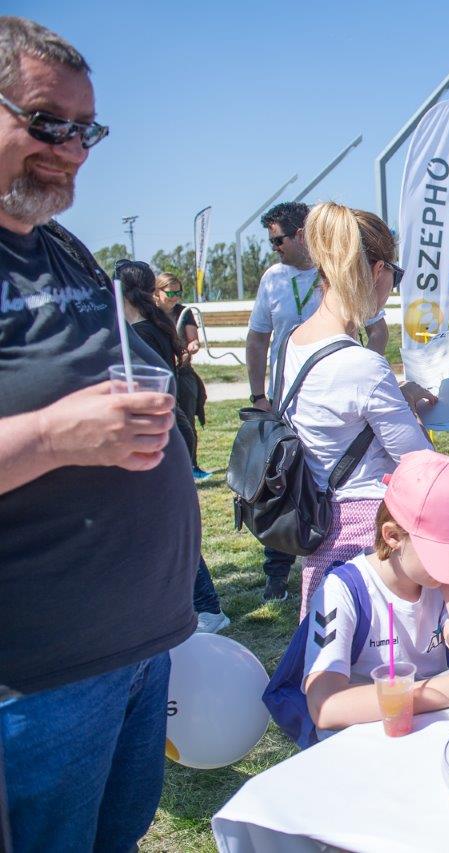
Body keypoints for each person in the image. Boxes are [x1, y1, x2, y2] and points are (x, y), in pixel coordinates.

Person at [0, 17, 197, 851]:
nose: (72, 148)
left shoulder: (61, 245)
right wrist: (50, 434)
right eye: (47, 121)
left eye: (86, 129)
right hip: (37, 677)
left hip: (135, 646)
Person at [281, 202, 438, 620]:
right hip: (368, 535)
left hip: (318, 527)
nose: (392, 285)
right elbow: (420, 463)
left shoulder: (291, 344)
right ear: (374, 269)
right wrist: (414, 414)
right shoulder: (363, 364)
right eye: (394, 274)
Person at [303, 450, 449, 737]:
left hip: (428, 735)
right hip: (366, 746)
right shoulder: (344, 590)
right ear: (393, 537)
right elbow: (324, 706)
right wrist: (445, 692)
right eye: (441, 554)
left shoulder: (436, 582)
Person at [246, 200, 389, 603]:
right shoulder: (272, 280)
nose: (274, 247)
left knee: (328, 485)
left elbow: (378, 329)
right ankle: (277, 571)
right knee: (285, 484)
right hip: (287, 401)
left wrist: (370, 375)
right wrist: (260, 395)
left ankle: (331, 566)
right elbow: (258, 338)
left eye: (278, 240)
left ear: (302, 236)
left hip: (342, 398)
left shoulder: (342, 276)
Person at [117, 261, 228, 634]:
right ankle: (195, 606)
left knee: (170, 530)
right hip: (164, 433)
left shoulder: (140, 334)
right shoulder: (151, 327)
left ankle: (207, 607)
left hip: (158, 438)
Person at [154, 271, 208, 479]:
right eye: (170, 292)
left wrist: (191, 347)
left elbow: (192, 339)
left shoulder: (184, 312)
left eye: (179, 292)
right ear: (157, 292)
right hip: (162, 375)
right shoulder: (150, 314)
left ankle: (191, 465)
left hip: (183, 373)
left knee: (187, 422)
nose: (175, 296)